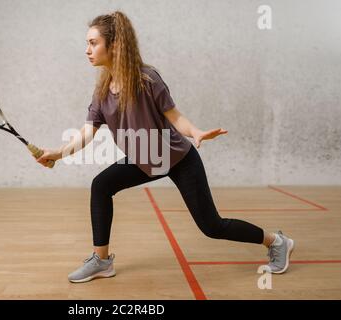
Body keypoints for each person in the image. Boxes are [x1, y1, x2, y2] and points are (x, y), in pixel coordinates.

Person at [33, 11, 294, 283]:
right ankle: (101, 260)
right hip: (145, 158)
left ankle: (276, 242)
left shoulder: (147, 79)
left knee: (212, 226)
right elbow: (87, 133)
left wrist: (196, 132)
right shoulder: (101, 91)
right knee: (101, 185)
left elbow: (175, 116)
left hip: (179, 158)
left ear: (115, 45)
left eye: (93, 43)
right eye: (87, 43)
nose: (87, 50)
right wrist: (58, 154)